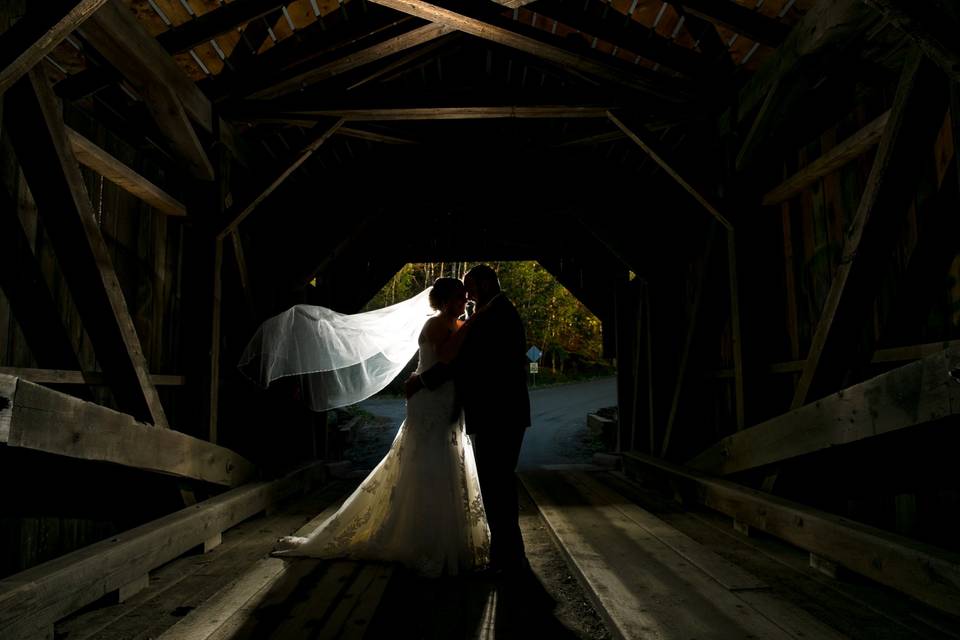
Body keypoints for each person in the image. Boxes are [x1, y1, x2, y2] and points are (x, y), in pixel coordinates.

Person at [271, 278, 490, 577]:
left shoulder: (459, 326)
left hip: (447, 400)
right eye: (460, 297)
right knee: (428, 463)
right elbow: (445, 362)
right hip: (430, 402)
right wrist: (472, 327)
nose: (466, 302)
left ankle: (450, 536)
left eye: (466, 297)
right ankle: (424, 539)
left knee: (448, 459)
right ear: (446, 300)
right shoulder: (436, 326)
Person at [406, 264, 531, 574]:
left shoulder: (496, 314)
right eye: (464, 290)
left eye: (471, 288)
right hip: (498, 412)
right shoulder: (491, 312)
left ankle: (508, 559)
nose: (468, 295)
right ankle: (507, 557)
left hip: (498, 413)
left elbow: (467, 364)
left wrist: (422, 381)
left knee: (497, 483)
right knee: (496, 483)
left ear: (486, 284)